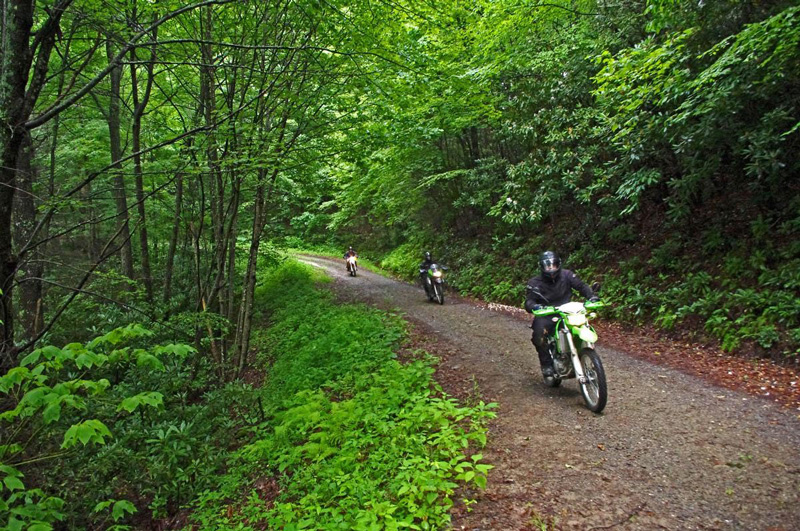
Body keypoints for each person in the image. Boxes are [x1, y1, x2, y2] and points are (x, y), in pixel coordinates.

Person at [524, 250, 598, 377]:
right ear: (542, 267)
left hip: (568, 311)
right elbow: (529, 301)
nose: (551, 268)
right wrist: (535, 306)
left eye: (553, 265)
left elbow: (581, 286)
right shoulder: (534, 283)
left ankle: (583, 353)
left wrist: (591, 296)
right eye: (548, 266)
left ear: (559, 264)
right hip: (547, 313)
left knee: (583, 324)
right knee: (539, 334)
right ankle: (546, 364)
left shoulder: (567, 275)